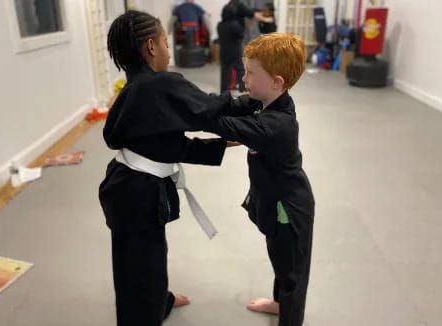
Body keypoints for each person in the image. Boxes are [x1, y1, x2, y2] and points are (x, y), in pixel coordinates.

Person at [99, 10, 237, 326]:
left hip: (125, 188)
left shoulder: (134, 90)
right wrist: (252, 109)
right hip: (138, 194)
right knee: (143, 266)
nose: (168, 50)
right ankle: (149, 311)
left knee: (138, 262)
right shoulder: (160, 84)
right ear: (150, 47)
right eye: (164, 42)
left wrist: (223, 144)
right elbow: (210, 108)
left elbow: (167, 146)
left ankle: (161, 300)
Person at [209, 33, 315, 326]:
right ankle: (279, 303)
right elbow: (228, 106)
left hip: (289, 209)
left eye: (251, 73)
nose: (244, 78)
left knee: (292, 272)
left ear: (277, 82)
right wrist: (186, 100)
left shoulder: (277, 123)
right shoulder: (263, 102)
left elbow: (225, 124)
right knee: (279, 260)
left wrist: (184, 115)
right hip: (273, 200)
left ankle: (289, 318)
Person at [217, 4, 245, 93]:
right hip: (235, 51)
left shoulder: (220, 25)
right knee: (240, 70)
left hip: (224, 51)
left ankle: (224, 91)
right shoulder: (235, 25)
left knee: (224, 72)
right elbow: (241, 36)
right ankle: (242, 88)